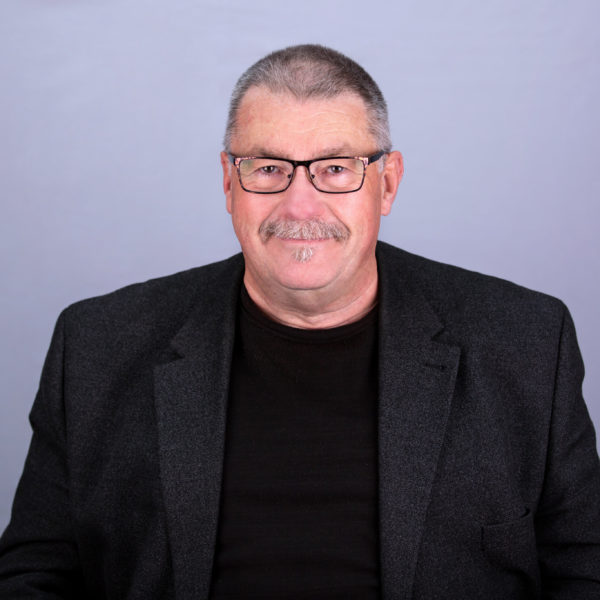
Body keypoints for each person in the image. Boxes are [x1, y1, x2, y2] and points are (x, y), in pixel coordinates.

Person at [1, 44, 599, 600]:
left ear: (387, 184)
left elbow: (585, 569)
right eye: (268, 168)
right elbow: (34, 574)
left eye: (336, 169)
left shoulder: (525, 341)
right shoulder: (98, 346)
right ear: (229, 182)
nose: (300, 205)